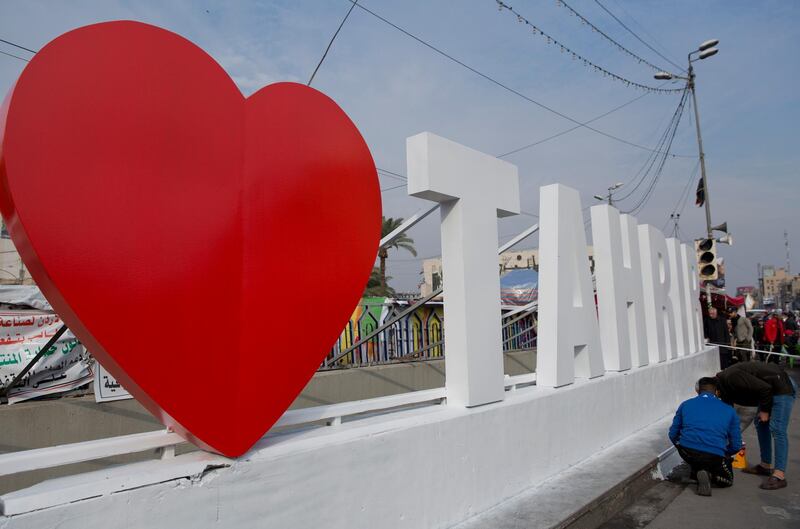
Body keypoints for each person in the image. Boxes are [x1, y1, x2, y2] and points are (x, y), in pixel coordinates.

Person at [715, 361, 797, 490]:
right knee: (760, 424)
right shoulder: (724, 389)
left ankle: (779, 475)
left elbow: (765, 388)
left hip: (782, 386)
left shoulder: (731, 377)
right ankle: (765, 466)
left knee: (777, 429)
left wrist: (764, 411)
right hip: (769, 391)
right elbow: (729, 416)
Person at [669, 377, 742, 496]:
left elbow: (672, 434)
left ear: (697, 390)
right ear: (717, 392)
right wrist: (725, 454)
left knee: (695, 449)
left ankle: (698, 470)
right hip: (714, 455)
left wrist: (681, 445)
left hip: (687, 452)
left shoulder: (686, 404)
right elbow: (736, 445)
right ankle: (709, 474)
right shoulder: (729, 410)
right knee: (727, 480)